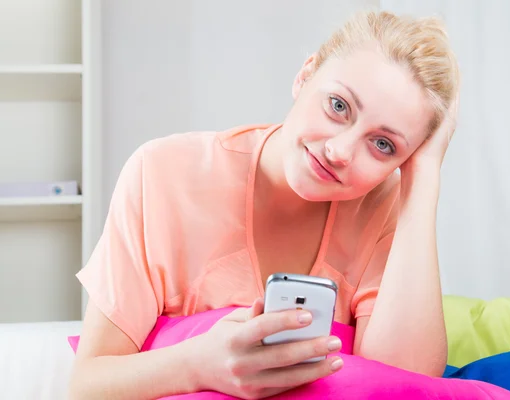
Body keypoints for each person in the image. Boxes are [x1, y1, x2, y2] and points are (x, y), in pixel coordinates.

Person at [68, 9, 460, 400]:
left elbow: (406, 385)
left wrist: (424, 179)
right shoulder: (163, 172)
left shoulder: (385, 206)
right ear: (306, 74)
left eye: (383, 145)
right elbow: (87, 386)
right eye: (338, 106)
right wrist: (197, 363)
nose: (340, 151)